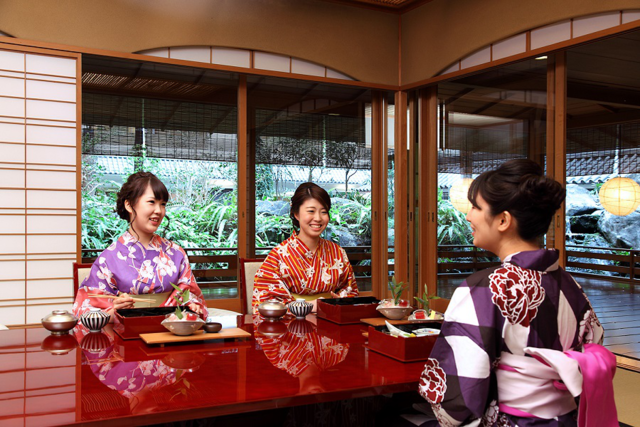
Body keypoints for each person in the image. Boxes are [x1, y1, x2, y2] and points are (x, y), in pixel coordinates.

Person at [414, 159, 615, 427]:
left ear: (503, 220)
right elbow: (593, 346)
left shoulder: (484, 288)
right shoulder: (570, 284)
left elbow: (457, 398)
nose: (468, 215)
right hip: (568, 420)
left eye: (475, 207)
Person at [73, 171, 208, 321]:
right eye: (152, 202)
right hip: (125, 335)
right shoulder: (108, 258)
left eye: (162, 204)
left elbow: (192, 296)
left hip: (169, 333)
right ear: (129, 205)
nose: (159, 210)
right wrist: (114, 310)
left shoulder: (176, 253)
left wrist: (191, 305)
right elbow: (86, 310)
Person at [252, 182, 358, 314]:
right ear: (296, 213)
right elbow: (265, 302)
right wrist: (310, 306)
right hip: (292, 327)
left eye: (323, 212)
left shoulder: (337, 252)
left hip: (330, 322)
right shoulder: (278, 255)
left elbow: (351, 292)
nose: (318, 218)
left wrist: (338, 302)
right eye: (311, 211)